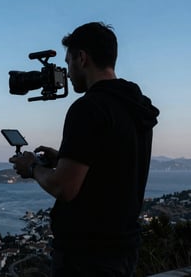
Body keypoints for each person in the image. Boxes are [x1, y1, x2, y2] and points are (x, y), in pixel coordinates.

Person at [9, 22, 160, 277]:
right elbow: (114, 165)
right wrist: (65, 158)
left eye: (68, 62)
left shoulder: (89, 108)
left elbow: (63, 188)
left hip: (87, 256)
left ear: (82, 58)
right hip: (123, 249)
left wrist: (32, 167)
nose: (67, 72)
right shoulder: (136, 105)